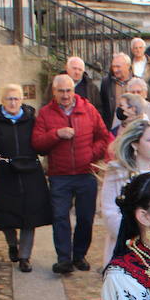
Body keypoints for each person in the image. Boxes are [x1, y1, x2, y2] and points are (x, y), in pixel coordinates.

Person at [32, 73, 112, 274]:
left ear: (74, 90)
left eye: (68, 90)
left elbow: (104, 137)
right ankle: (64, 259)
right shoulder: (45, 114)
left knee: (85, 218)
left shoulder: (88, 110)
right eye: (61, 91)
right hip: (60, 175)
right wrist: (56, 134)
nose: (65, 95)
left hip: (86, 173)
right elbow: (37, 144)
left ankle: (79, 255)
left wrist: (91, 155)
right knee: (60, 217)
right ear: (54, 92)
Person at [0, 84, 52, 273]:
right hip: (5, 173)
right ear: (2, 101)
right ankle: (12, 244)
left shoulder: (32, 120)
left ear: (22, 100)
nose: (13, 102)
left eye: (16, 99)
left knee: (30, 216)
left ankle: (25, 257)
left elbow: (42, 145)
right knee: (5, 214)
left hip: (30, 173)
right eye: (9, 99)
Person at [99, 117, 150, 267]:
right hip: (127, 245)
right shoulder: (117, 172)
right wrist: (138, 237)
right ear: (135, 144)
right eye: (149, 140)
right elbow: (109, 211)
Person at [98, 52, 131, 127]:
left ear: (128, 66)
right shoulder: (106, 83)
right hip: (112, 127)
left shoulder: (137, 83)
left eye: (118, 67)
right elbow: (102, 106)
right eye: (113, 67)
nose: (115, 70)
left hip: (133, 125)